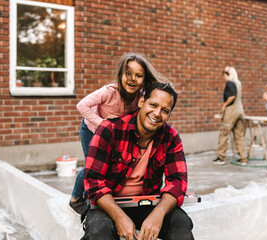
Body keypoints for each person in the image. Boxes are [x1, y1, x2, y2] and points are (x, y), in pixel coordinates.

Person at [81, 82, 194, 240]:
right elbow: (93, 182)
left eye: (164, 110)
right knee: (100, 230)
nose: (156, 113)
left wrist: (158, 214)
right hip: (108, 203)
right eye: (153, 105)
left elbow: (177, 182)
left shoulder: (171, 137)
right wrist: (119, 217)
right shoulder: (110, 130)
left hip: (147, 203)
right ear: (142, 102)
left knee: (180, 223)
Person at [69, 53, 166, 216]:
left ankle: (90, 195)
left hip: (111, 134)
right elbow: (82, 105)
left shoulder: (139, 96)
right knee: (91, 165)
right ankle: (75, 199)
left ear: (144, 79)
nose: (132, 79)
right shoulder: (109, 91)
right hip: (91, 128)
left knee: (108, 166)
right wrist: (102, 123)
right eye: (128, 73)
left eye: (138, 75)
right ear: (120, 74)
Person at [213, 66, 248, 165]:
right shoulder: (238, 83)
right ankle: (243, 158)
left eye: (224, 75)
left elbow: (232, 96)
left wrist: (224, 105)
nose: (224, 77)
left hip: (231, 111)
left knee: (224, 133)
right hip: (240, 111)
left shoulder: (230, 83)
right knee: (239, 135)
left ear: (227, 74)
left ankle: (221, 158)